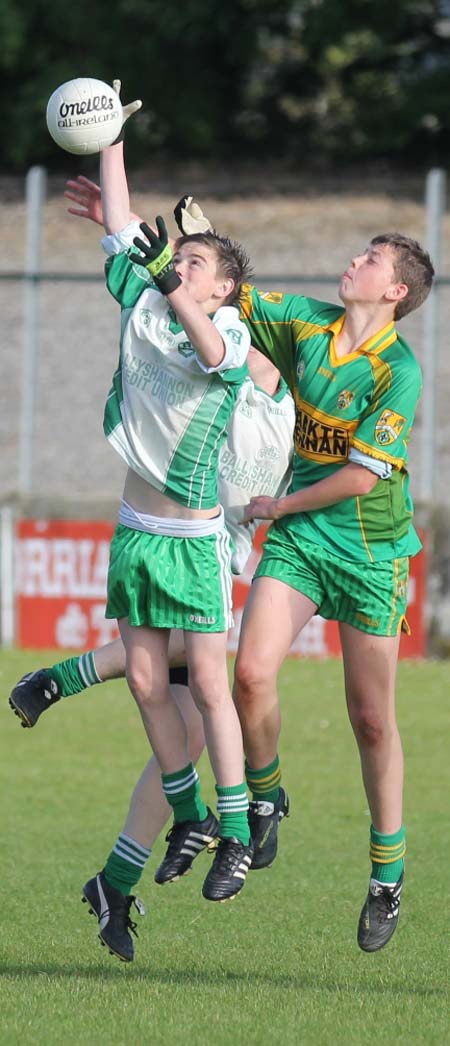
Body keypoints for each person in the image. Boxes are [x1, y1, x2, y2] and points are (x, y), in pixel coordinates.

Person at [70, 114, 259, 913]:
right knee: (147, 682)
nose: (179, 264)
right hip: (135, 532)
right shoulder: (149, 303)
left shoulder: (227, 330)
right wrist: (109, 138)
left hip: (191, 539)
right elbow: (121, 226)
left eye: (197, 261)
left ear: (224, 287)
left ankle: (239, 831)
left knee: (210, 686)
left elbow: (211, 356)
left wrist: (170, 282)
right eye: (176, 256)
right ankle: (188, 816)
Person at [227, 230, 434, 954]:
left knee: (371, 720)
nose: (353, 263)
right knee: (249, 677)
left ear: (396, 292)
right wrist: (168, 250)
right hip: (303, 542)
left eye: (370, 261)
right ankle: (266, 796)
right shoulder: (305, 322)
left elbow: (361, 476)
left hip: (372, 552)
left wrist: (275, 505)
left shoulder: (398, 371)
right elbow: (231, 291)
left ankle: (387, 876)